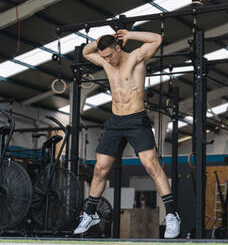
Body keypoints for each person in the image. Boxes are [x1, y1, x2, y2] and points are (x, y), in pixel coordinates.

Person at [74, 30, 180, 239]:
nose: (107, 60)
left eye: (110, 55)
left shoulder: (136, 58)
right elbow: (86, 52)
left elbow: (157, 39)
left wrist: (130, 34)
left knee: (151, 165)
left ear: (118, 47)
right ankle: (90, 214)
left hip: (136, 120)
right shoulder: (106, 62)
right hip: (115, 121)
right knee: (99, 169)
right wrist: (101, 40)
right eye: (104, 57)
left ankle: (171, 215)